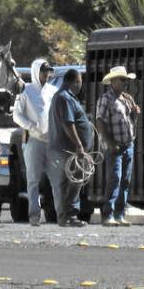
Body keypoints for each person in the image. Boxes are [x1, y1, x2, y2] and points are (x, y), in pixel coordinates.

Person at [12, 58, 55, 226]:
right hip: (34, 140)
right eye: (43, 71)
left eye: (48, 71)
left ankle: (61, 214)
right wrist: (30, 126)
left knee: (57, 179)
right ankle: (34, 215)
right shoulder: (26, 91)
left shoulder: (53, 91)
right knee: (33, 180)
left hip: (51, 141)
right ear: (36, 71)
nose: (46, 74)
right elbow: (17, 114)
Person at [47, 68, 93, 227]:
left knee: (71, 182)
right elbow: (68, 124)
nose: (80, 85)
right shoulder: (64, 98)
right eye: (80, 81)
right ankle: (68, 215)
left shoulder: (66, 97)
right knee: (72, 182)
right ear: (75, 81)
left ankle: (65, 216)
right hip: (68, 149)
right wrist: (79, 145)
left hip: (67, 149)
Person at [96, 66, 140, 227]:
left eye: (126, 79)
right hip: (115, 146)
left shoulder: (127, 99)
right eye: (122, 79)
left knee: (125, 181)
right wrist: (110, 143)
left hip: (128, 144)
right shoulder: (105, 99)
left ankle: (119, 214)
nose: (125, 82)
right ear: (113, 81)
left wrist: (135, 114)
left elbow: (131, 122)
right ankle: (108, 214)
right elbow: (100, 121)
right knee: (115, 179)